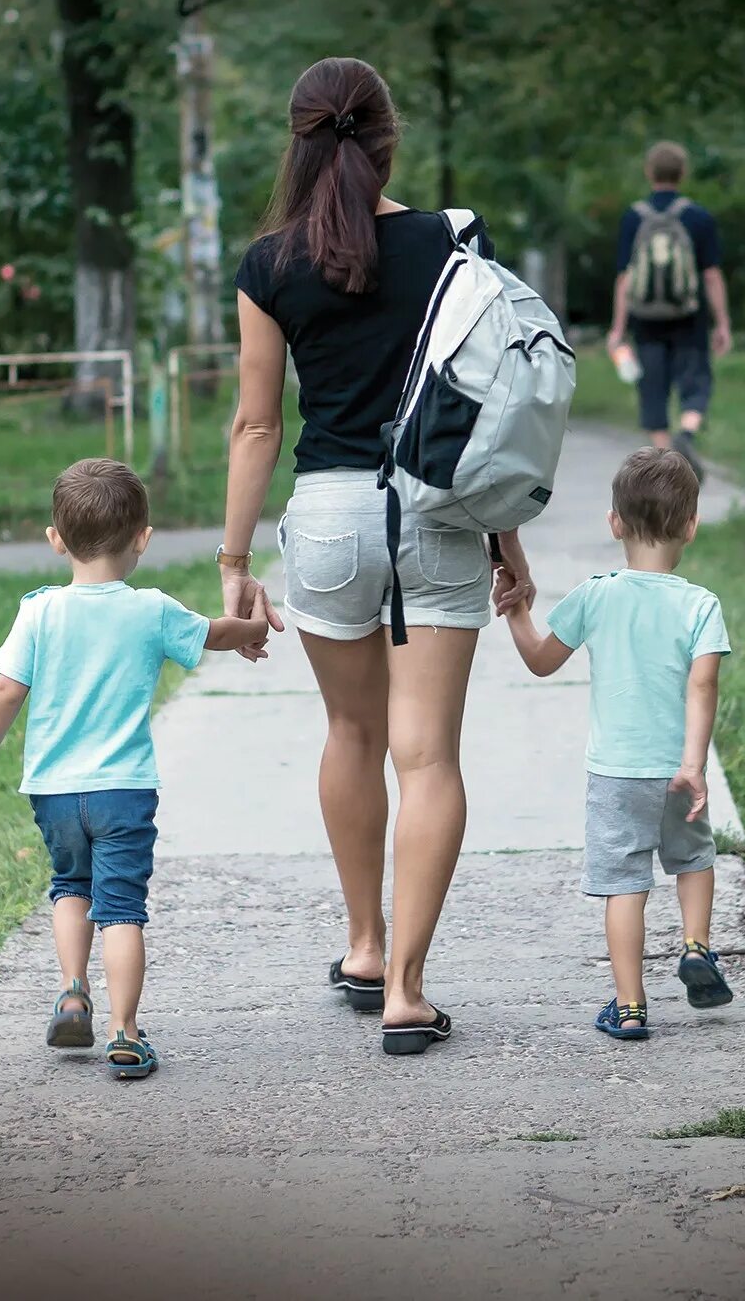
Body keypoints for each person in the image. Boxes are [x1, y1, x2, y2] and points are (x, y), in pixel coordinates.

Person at [220, 55, 536, 1056]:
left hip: (326, 518)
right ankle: (406, 990)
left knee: (350, 736)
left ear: (297, 139)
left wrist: (234, 562)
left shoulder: (267, 265)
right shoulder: (453, 242)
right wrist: (507, 540)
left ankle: (362, 945)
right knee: (428, 754)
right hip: (437, 514)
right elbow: (493, 407)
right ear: (389, 136)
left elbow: (256, 428)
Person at [0, 457, 270, 1080]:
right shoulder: (151, 609)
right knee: (122, 909)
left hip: (52, 790)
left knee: (70, 888)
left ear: (55, 540)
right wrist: (253, 628)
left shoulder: (39, 611)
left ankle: (73, 992)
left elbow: (5, 690)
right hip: (123, 791)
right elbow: (213, 632)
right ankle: (125, 1034)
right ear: (142, 540)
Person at [499, 447, 734, 1040]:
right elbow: (703, 683)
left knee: (625, 884)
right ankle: (696, 945)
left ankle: (630, 1007)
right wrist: (694, 764)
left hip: (616, 775)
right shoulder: (700, 605)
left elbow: (540, 662)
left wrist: (517, 612)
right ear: (691, 525)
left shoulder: (595, 594)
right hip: (677, 771)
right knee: (694, 857)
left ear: (614, 524)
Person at [606, 141, 733, 479]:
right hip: (689, 319)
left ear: (649, 172)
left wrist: (618, 329)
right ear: (683, 173)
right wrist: (722, 323)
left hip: (645, 321)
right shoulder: (698, 217)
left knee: (652, 389)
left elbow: (624, 278)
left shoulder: (634, 218)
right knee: (696, 382)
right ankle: (686, 434)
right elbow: (711, 275)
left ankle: (668, 463)